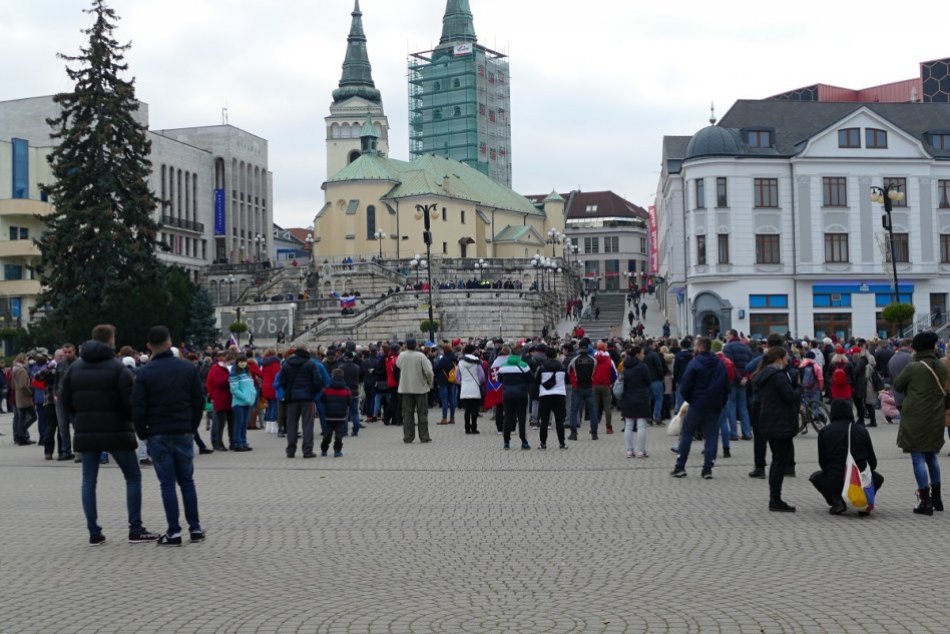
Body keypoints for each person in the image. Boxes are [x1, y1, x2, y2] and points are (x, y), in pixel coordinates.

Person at [61, 324, 159, 546]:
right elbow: (129, 403)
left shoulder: (74, 368)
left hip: (86, 432)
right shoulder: (117, 369)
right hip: (116, 431)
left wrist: (80, 419)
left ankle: (94, 532)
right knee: (132, 476)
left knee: (89, 480)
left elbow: (66, 401)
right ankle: (135, 528)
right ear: (110, 341)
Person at [131, 326, 206, 546]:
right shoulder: (187, 368)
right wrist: (191, 426)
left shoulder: (144, 373)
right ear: (170, 341)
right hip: (183, 430)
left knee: (167, 484)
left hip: (158, 432)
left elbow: (138, 407)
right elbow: (199, 400)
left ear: (148, 346)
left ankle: (174, 531)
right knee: (187, 481)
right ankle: (196, 528)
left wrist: (142, 432)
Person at [893, 331, 947, 515]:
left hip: (915, 418)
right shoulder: (941, 365)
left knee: (918, 458)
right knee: (932, 457)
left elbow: (898, 385)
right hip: (935, 417)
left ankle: (925, 502)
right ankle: (938, 499)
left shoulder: (913, 367)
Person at [810, 399, 884, 515]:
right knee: (878, 478)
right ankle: (863, 500)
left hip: (835, 480)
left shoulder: (824, 432)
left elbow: (823, 463)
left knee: (815, 477)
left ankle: (837, 500)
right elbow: (873, 463)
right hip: (859, 481)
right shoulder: (861, 431)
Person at [671, 337, 728, 479]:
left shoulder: (695, 363)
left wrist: (690, 399)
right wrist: (721, 401)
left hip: (697, 404)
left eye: (695, 345)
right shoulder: (720, 364)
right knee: (712, 436)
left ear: (701, 347)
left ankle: (680, 467)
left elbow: (685, 385)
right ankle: (707, 469)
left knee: (687, 434)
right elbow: (726, 386)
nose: (693, 348)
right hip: (714, 404)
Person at [752, 346, 801, 512]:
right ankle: (775, 499)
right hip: (780, 423)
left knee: (776, 460)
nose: (787, 361)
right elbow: (789, 397)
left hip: (769, 420)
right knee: (780, 461)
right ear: (778, 359)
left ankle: (774, 497)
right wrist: (798, 388)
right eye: (785, 358)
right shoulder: (778, 376)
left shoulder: (765, 375)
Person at [277, 346, 327, 458]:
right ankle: (307, 451)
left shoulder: (287, 364)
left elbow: (282, 382)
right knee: (308, 425)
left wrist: (288, 391)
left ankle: (290, 450)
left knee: (291, 425)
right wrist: (314, 392)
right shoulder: (310, 364)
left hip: (292, 399)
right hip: (307, 398)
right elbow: (318, 380)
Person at [396, 339, 435, 444]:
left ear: (406, 345)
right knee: (422, 413)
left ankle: (408, 437)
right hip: (420, 389)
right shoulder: (421, 356)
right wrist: (429, 383)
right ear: (416, 345)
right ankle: (424, 436)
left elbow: (398, 365)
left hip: (406, 388)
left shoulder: (402, 355)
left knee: (407, 414)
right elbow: (429, 372)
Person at [620, 345, 651, 458]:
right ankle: (640, 451)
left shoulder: (625, 366)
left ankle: (629, 450)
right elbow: (648, 381)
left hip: (627, 398)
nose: (644, 355)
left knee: (628, 425)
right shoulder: (643, 367)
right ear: (637, 354)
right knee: (641, 425)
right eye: (642, 353)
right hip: (641, 398)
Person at [498, 351, 533, 450]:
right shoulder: (524, 366)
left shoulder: (502, 366)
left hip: (507, 395)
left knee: (508, 418)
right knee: (522, 418)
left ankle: (506, 442)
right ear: (520, 355)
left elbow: (499, 380)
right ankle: (524, 442)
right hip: (521, 395)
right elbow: (531, 379)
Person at [535, 345, 567, 450]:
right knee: (559, 421)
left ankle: (543, 443)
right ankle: (562, 443)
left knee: (544, 421)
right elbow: (566, 380)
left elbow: (537, 381)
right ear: (556, 355)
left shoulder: (542, 367)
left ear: (546, 355)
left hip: (545, 395)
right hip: (560, 395)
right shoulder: (562, 367)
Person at [567, 341, 597, 440]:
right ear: (587, 348)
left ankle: (574, 433)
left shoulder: (574, 360)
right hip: (589, 387)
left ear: (579, 348)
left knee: (574, 410)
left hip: (577, 387)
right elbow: (595, 372)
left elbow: (569, 371)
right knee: (592, 410)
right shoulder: (593, 360)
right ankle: (594, 433)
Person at [205, 352, 234, 451]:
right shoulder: (216, 369)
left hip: (229, 398)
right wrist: (229, 379)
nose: (224, 359)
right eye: (222, 357)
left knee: (231, 423)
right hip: (220, 398)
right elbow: (217, 383)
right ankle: (218, 443)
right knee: (219, 423)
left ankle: (233, 442)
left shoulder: (227, 368)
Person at [228, 355, 256, 452]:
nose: (243, 363)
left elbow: (251, 385)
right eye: (241, 361)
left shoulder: (247, 372)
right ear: (237, 362)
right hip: (239, 402)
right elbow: (234, 389)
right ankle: (237, 443)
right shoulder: (234, 373)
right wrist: (245, 398)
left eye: (244, 361)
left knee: (244, 423)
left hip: (247, 401)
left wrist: (253, 395)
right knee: (239, 423)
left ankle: (244, 442)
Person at [320, 368, 351, 457]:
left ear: (332, 376)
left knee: (327, 433)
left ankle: (324, 450)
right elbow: (349, 402)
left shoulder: (327, 389)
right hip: (341, 415)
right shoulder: (346, 389)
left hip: (329, 414)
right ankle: (337, 451)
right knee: (339, 433)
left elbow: (322, 400)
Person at [456, 345, 485, 434]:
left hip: (465, 388)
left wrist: (462, 382)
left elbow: (457, 377)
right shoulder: (477, 362)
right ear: (473, 351)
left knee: (467, 410)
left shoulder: (460, 362)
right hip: (475, 388)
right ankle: (474, 428)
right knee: (474, 410)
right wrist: (478, 382)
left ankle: (467, 428)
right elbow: (482, 377)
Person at [591, 341, 617, 435]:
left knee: (595, 407)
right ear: (605, 349)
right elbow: (614, 374)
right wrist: (611, 383)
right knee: (607, 408)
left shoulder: (593, 359)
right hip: (606, 386)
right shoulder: (610, 360)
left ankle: (593, 428)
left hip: (594, 385)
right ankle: (608, 428)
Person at [11, 354, 36, 445]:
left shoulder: (14, 369)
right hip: (25, 398)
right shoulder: (22, 371)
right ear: (23, 360)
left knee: (21, 418)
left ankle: (21, 437)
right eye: (26, 359)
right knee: (33, 417)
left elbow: (13, 385)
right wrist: (30, 393)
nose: (27, 361)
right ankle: (21, 433)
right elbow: (23, 385)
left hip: (18, 396)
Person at [434, 344, 458, 426]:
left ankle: (444, 418)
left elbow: (436, 368)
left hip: (443, 381)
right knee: (452, 400)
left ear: (444, 350)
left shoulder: (443, 359)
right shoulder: (454, 358)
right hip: (452, 380)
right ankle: (452, 418)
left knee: (444, 400)